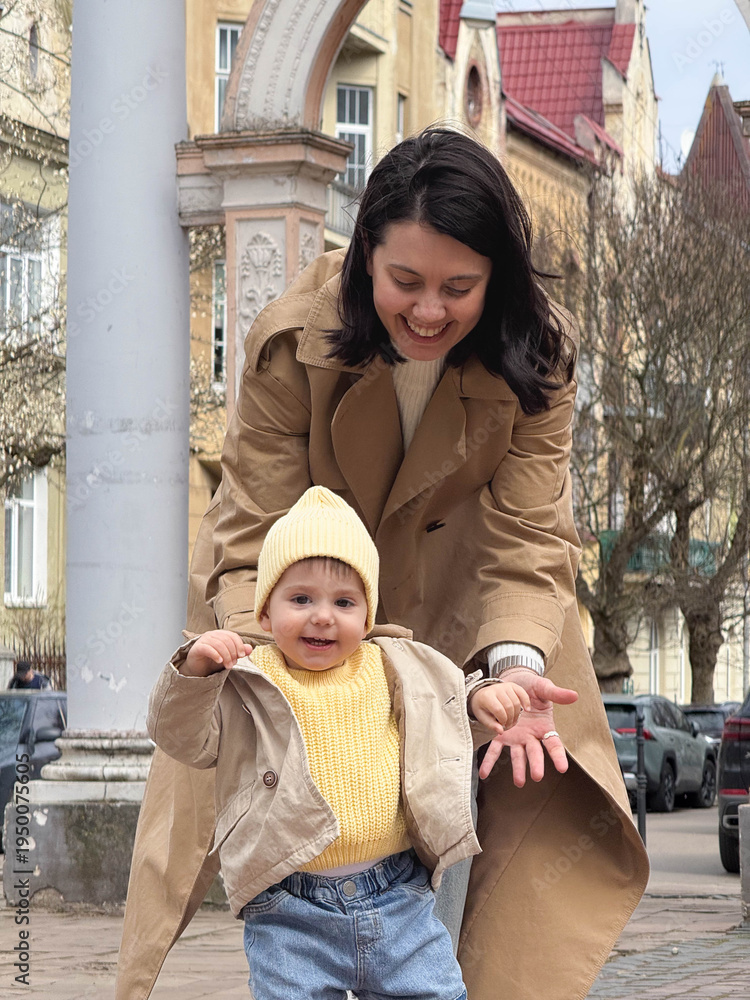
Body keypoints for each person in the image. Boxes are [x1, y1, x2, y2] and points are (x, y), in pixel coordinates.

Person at [117, 128, 648, 1000]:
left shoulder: (539, 353)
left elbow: (529, 533)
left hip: (465, 618)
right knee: (288, 828)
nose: (429, 311)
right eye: (406, 280)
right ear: (365, 252)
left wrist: (513, 664)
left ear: (498, 279)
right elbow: (250, 527)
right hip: (300, 612)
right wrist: (274, 667)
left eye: (459, 288)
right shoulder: (293, 338)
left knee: (474, 844)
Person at [148, 485, 540, 1000]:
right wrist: (196, 669)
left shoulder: (393, 664)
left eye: (344, 602)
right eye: (300, 599)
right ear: (265, 613)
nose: (322, 616)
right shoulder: (247, 678)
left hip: (399, 897)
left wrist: (479, 699)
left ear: (367, 616)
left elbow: (440, 705)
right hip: (289, 909)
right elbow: (182, 736)